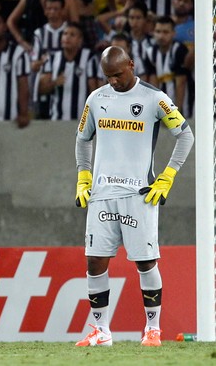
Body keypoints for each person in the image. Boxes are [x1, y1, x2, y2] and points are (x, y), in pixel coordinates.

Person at [74, 45, 194, 347]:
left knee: (145, 262)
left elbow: (185, 135)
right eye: (107, 76)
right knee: (94, 262)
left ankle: (152, 329)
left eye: (117, 74)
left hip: (139, 194)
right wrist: (83, 176)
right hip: (102, 193)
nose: (112, 81)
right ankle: (101, 332)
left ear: (130, 64)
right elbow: (82, 138)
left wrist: (167, 176)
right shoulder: (97, 98)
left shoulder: (154, 98)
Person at [38, 22, 98, 120]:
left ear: (80, 40)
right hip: (57, 120)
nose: (67, 37)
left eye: (72, 35)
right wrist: (54, 83)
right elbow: (41, 90)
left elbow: (94, 90)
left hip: (82, 121)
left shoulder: (89, 58)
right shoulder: (52, 59)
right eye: (65, 34)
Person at [143, 16, 191, 117]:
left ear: (174, 33)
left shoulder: (179, 50)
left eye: (165, 32)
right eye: (158, 31)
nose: (161, 36)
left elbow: (181, 83)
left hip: (184, 106)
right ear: (153, 32)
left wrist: (175, 114)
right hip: (162, 108)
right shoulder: (150, 52)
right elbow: (153, 84)